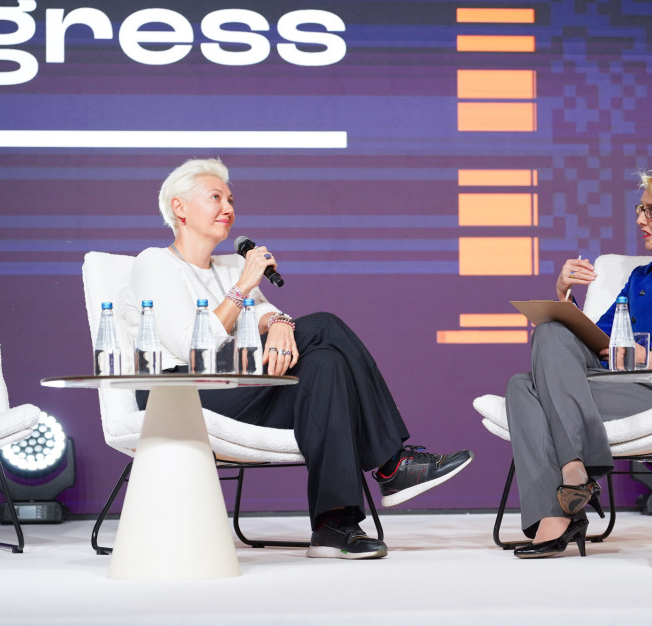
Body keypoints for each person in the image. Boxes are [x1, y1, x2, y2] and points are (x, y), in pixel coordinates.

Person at [122, 158, 473, 560]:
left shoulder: (230, 265)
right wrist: (244, 286)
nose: (228, 208)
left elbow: (266, 314)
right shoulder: (155, 263)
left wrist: (279, 322)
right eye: (215, 197)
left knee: (325, 364)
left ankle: (333, 523)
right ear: (179, 208)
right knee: (324, 325)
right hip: (178, 393)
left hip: (238, 387)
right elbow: (192, 346)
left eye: (231, 200)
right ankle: (392, 464)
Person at [505, 167, 652, 559]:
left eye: (651, 211)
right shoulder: (640, 277)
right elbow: (593, 337)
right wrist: (563, 297)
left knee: (523, 388)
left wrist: (651, 354)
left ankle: (558, 513)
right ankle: (574, 472)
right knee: (547, 334)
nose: (640, 220)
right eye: (640, 210)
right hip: (617, 383)